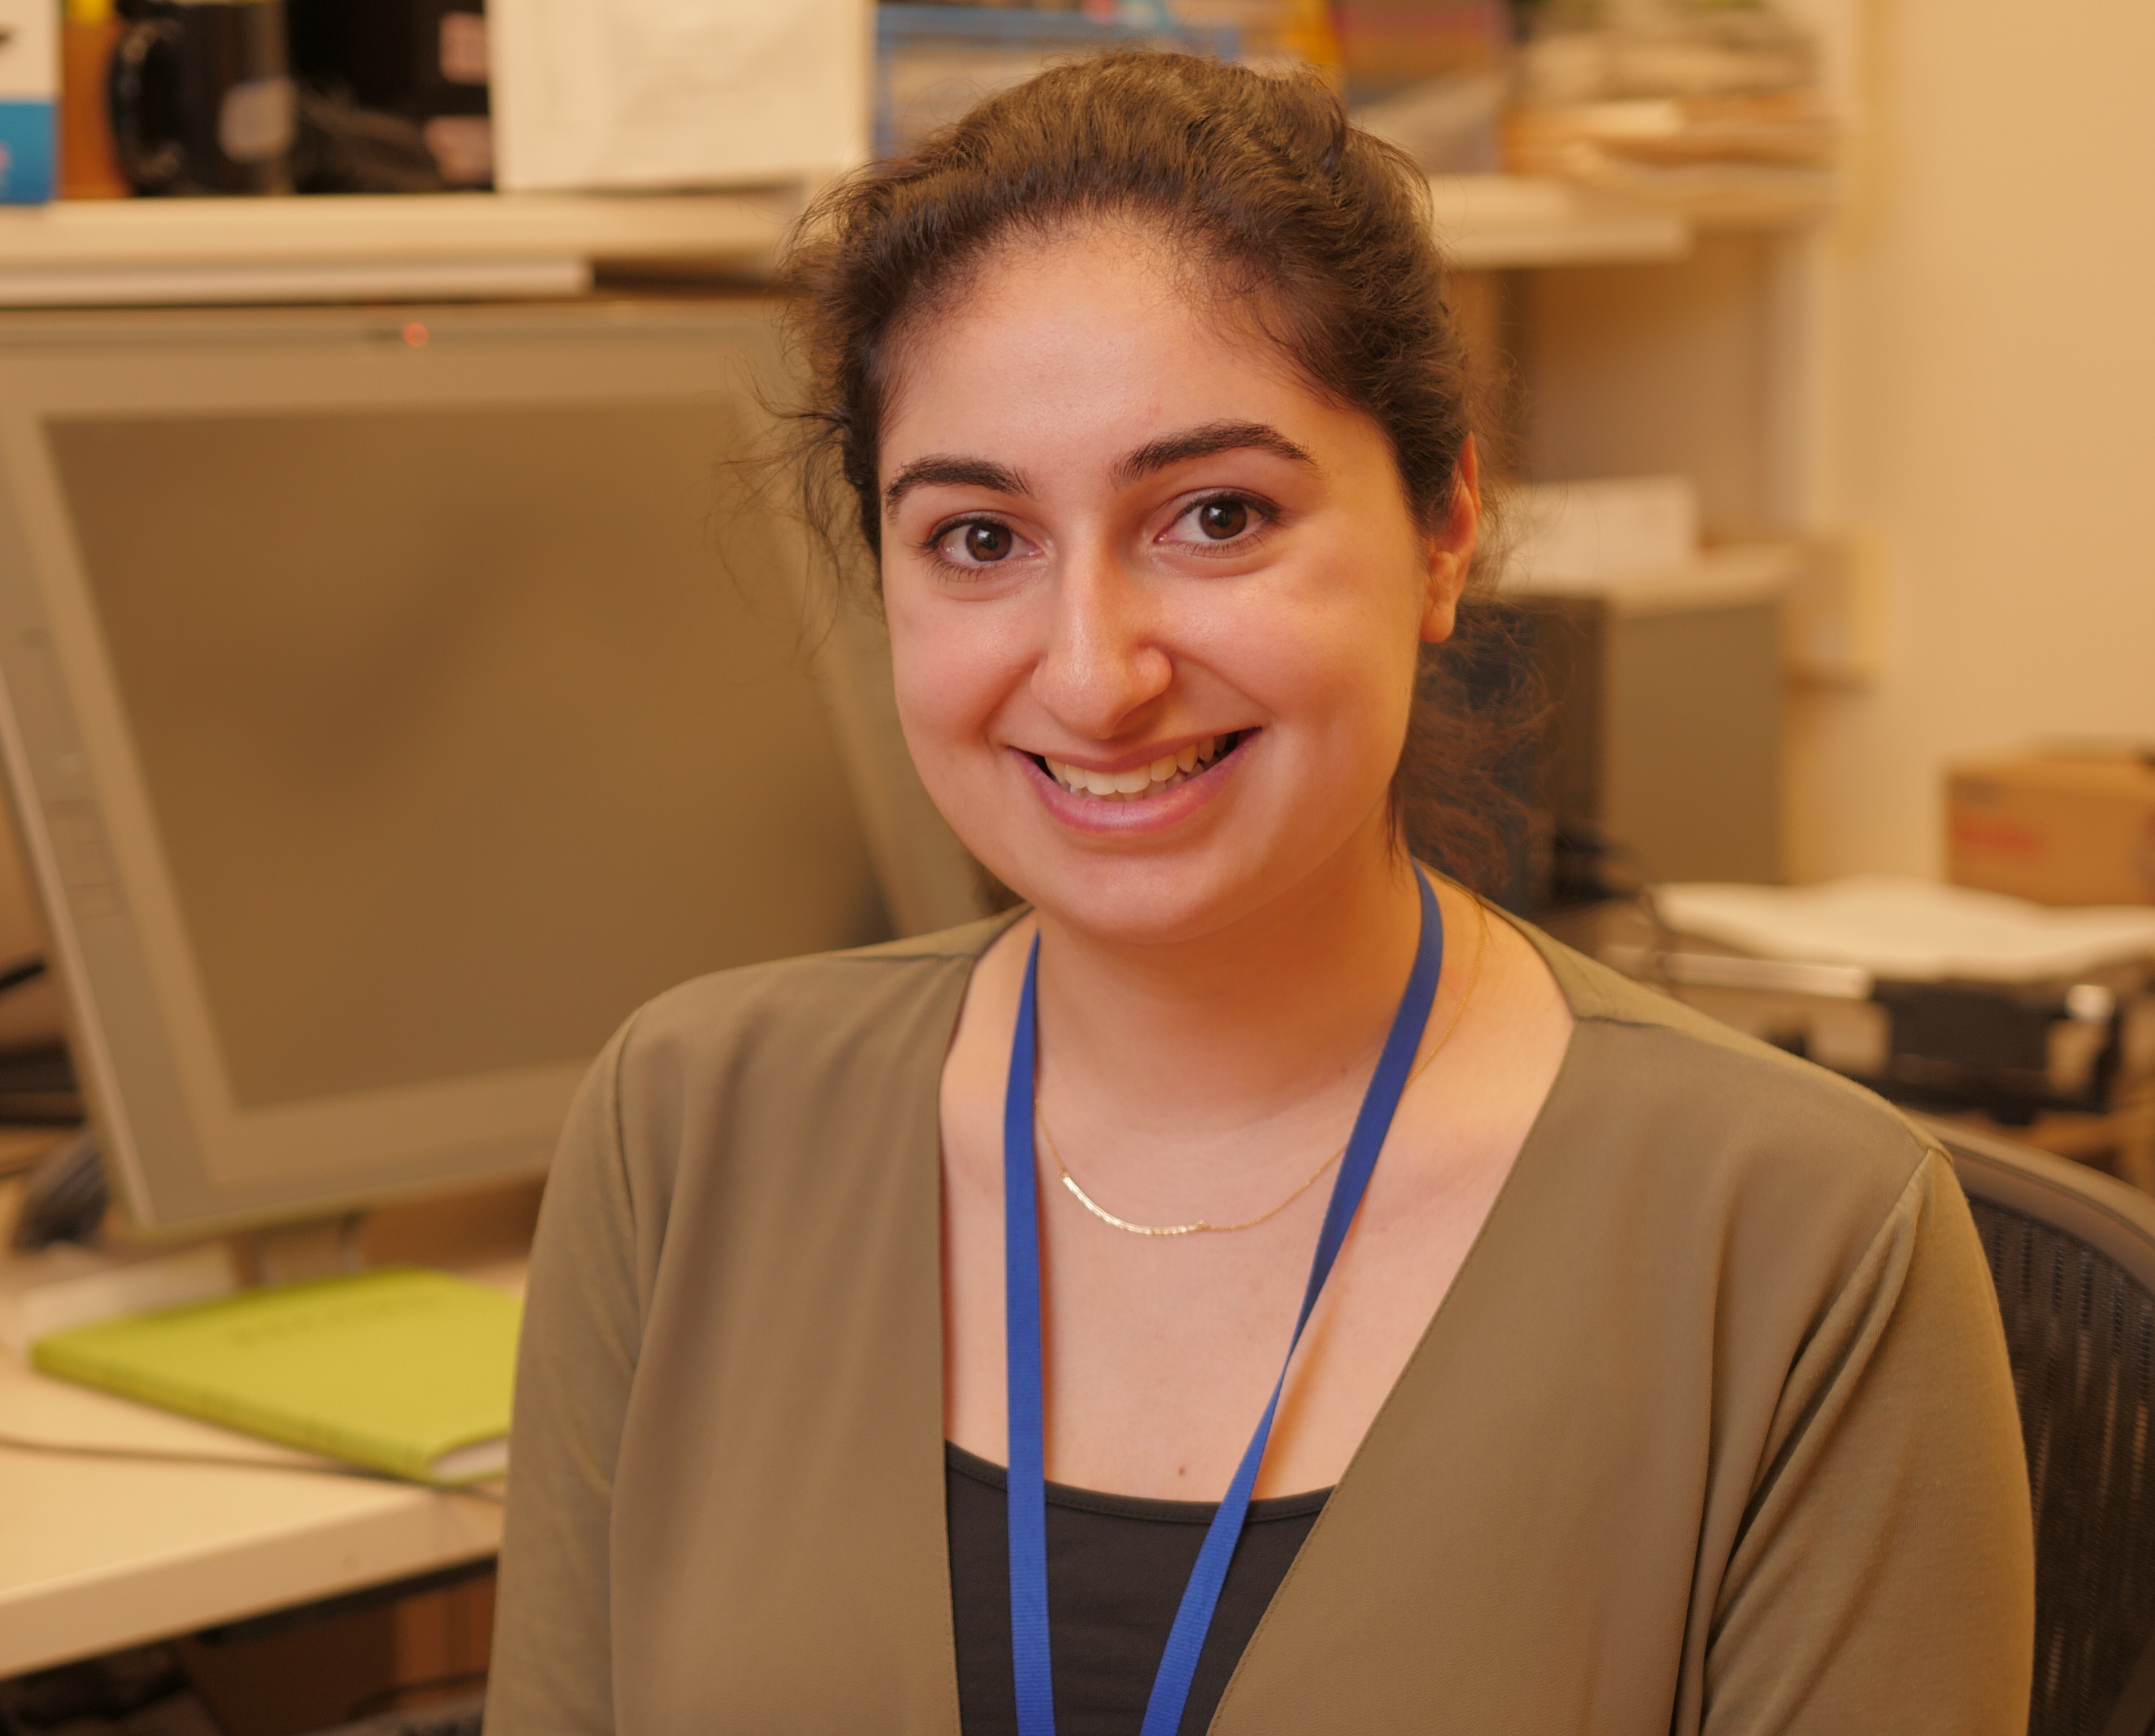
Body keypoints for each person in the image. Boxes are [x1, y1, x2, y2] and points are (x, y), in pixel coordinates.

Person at [485, 52, 2032, 1736]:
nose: (1094, 676)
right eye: (981, 540)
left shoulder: (1803, 1241)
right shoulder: (685, 1135)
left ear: (1444, 531)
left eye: (1216, 516)